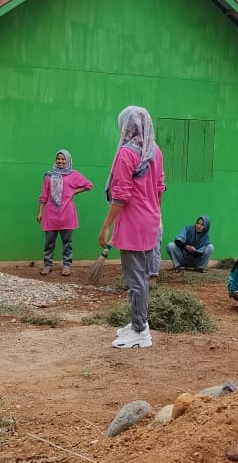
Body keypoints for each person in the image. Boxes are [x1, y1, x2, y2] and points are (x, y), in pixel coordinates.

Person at [99, 106, 165, 350]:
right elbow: (160, 187)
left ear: (126, 126)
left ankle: (140, 331)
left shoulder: (126, 153)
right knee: (143, 277)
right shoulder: (154, 151)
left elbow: (121, 195)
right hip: (150, 222)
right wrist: (157, 215)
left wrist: (105, 226)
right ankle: (139, 324)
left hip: (132, 224)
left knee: (135, 279)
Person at [36, 149, 93, 276]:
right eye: (58, 159)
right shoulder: (48, 175)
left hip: (67, 213)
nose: (60, 161)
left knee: (67, 242)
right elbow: (43, 196)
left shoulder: (73, 175)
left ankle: (67, 265)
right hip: (50, 214)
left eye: (63, 159)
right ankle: (47, 265)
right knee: (49, 242)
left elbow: (88, 185)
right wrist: (40, 211)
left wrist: (74, 191)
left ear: (68, 160)